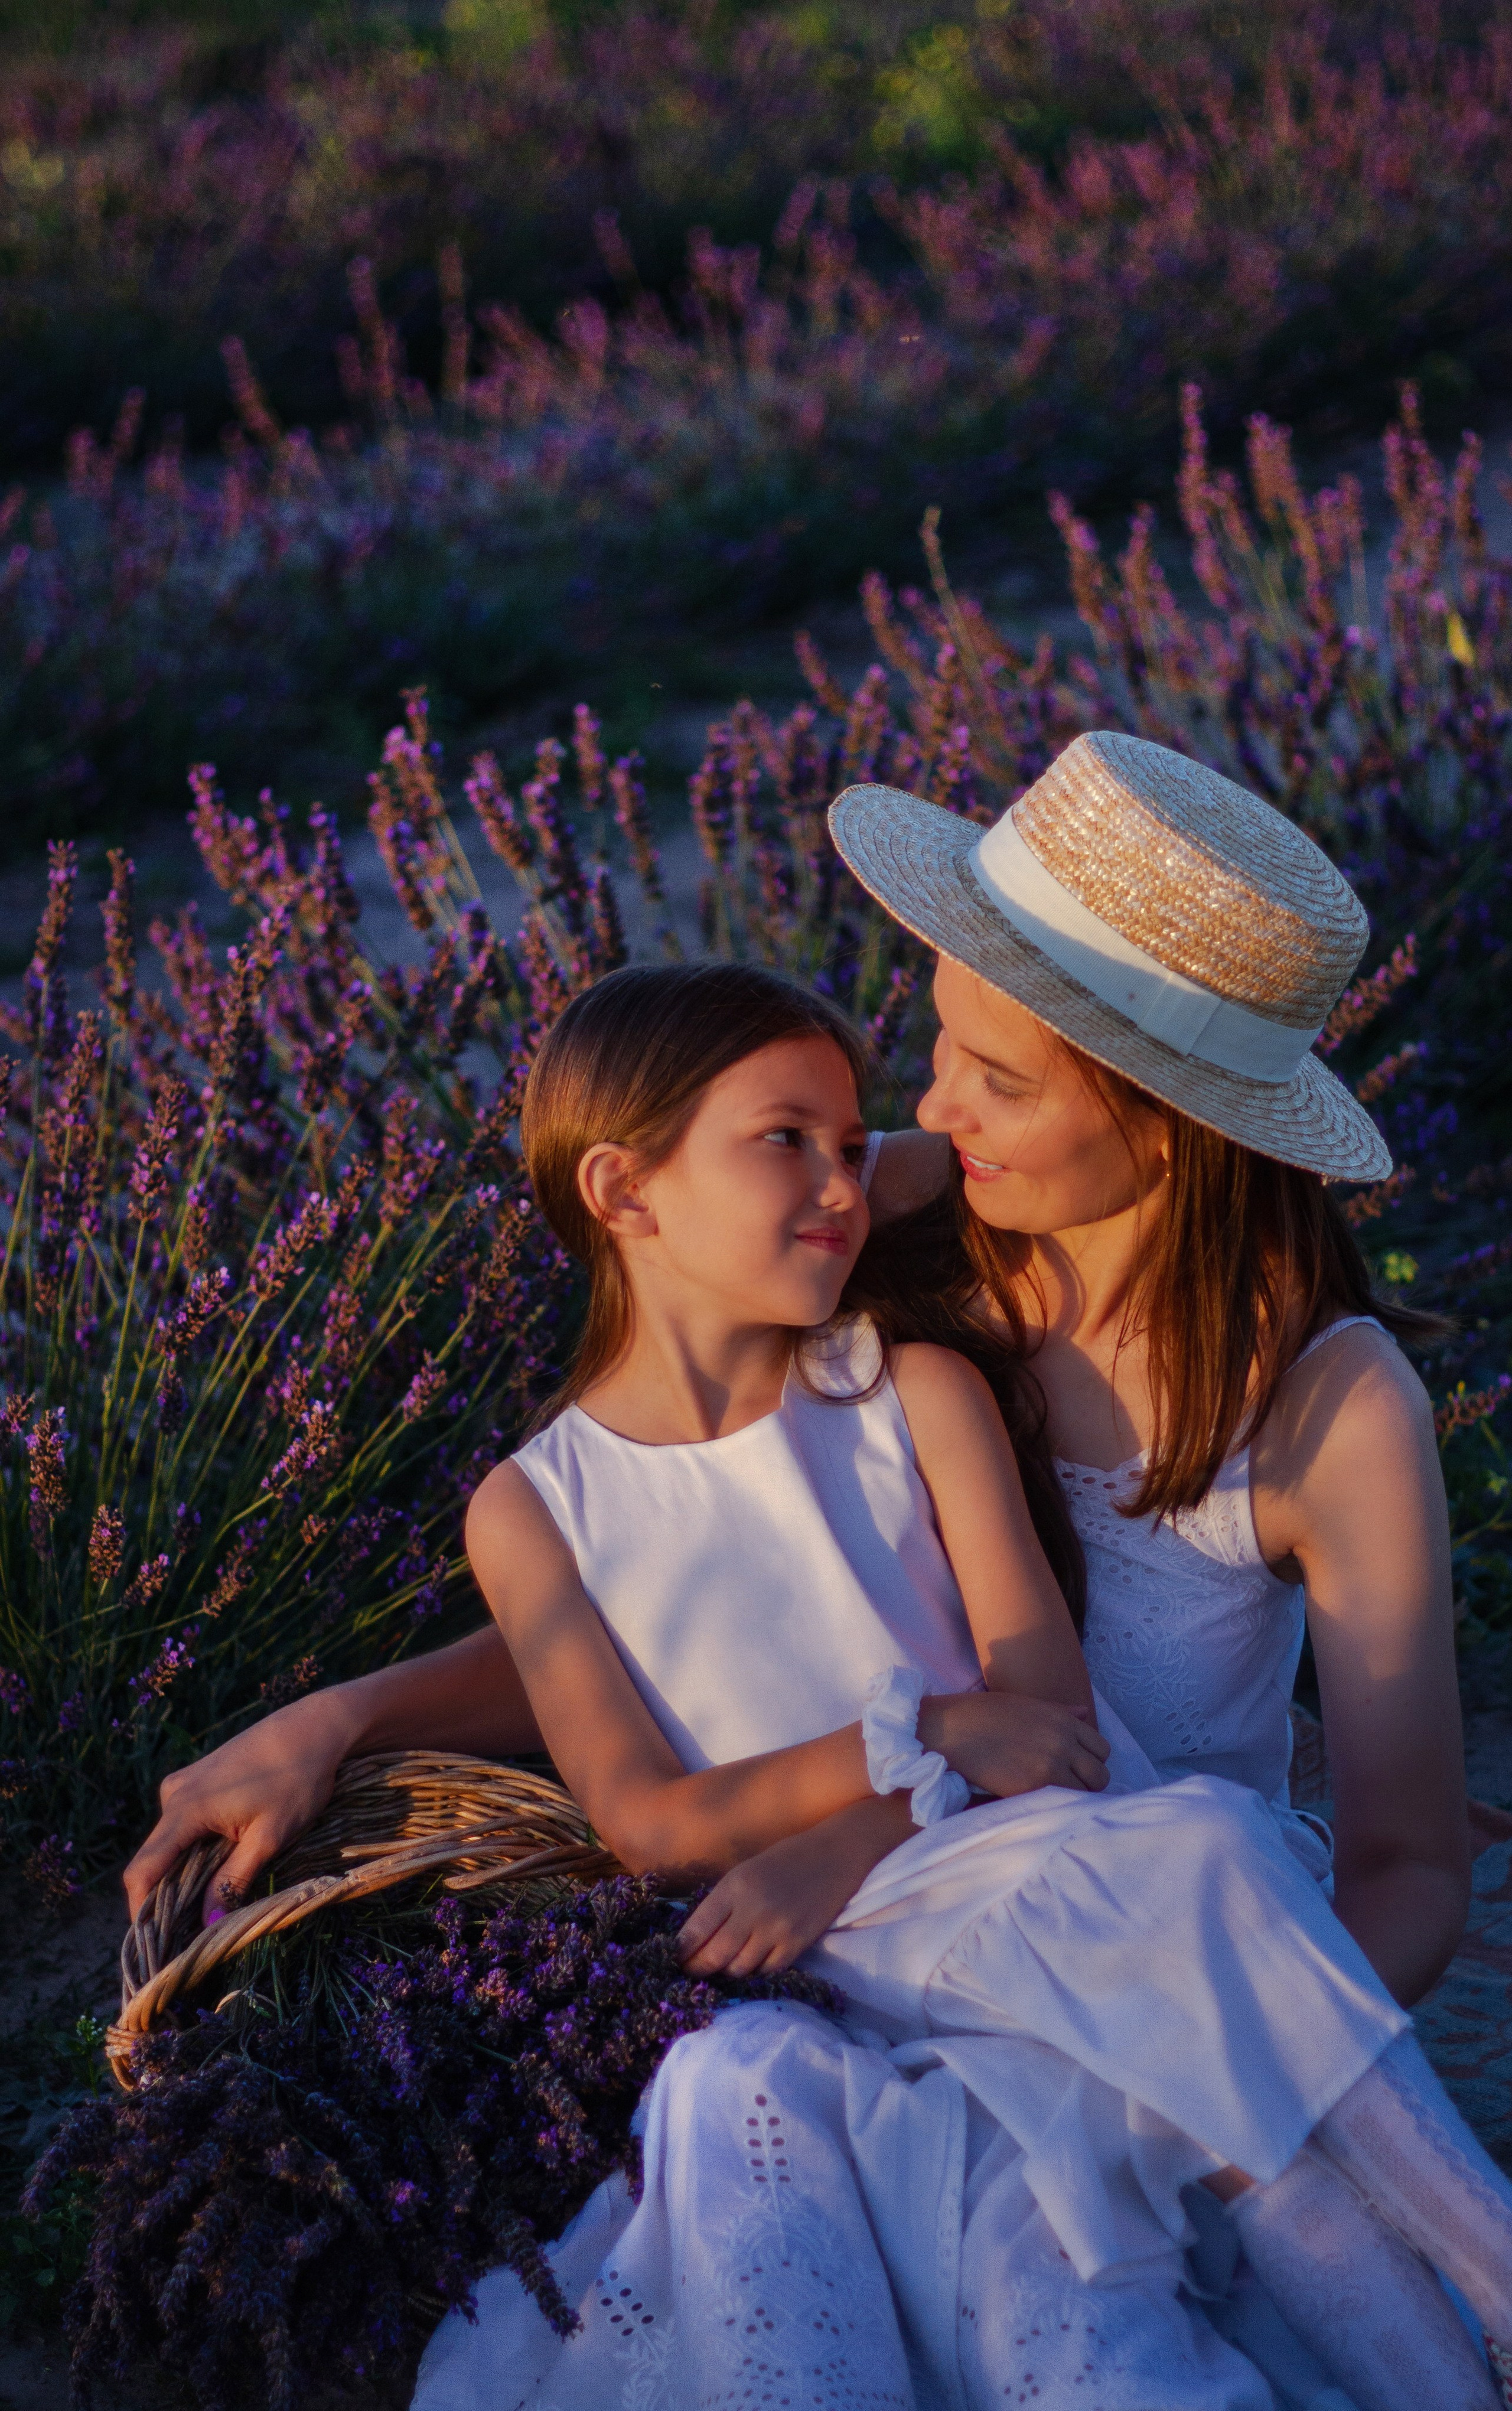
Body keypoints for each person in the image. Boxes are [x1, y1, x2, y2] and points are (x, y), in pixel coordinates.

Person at [121, 734, 1507, 2405]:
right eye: (938, 1042)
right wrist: (346, 1710)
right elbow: (709, 1577)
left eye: (998, 1075)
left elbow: (1415, 1869)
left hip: (1167, 1960)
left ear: (1166, 1117)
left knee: (1185, 1977)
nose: (926, 1112)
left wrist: (1195, 2068)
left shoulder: (1328, 1402)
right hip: (906, 1937)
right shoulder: (917, 1228)